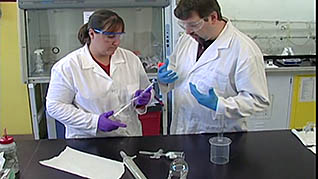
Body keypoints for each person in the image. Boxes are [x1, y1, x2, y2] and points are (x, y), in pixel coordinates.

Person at [158, 0, 270, 134]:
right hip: (182, 130)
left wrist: (220, 105)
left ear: (213, 18)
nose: (188, 32)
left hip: (219, 136)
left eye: (193, 25)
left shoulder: (244, 50)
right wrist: (164, 79)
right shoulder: (186, 40)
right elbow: (176, 70)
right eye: (184, 25)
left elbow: (258, 100)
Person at [46, 9, 153, 139]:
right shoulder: (68, 66)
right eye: (110, 36)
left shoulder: (130, 59)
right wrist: (94, 122)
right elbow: (55, 106)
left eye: (119, 36)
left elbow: (147, 89)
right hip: (88, 140)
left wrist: (142, 101)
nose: (117, 42)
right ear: (92, 33)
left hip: (129, 136)